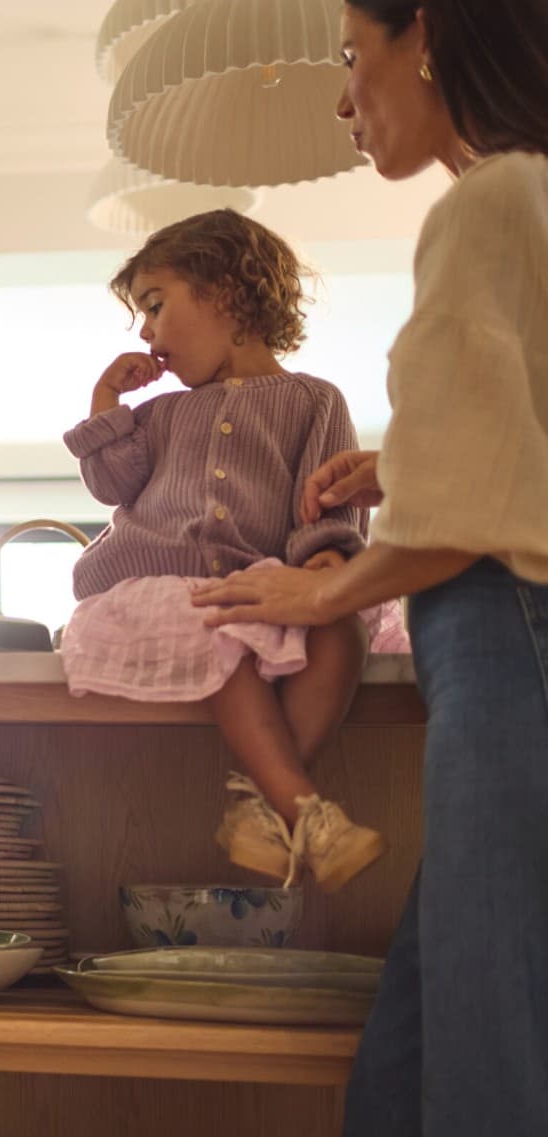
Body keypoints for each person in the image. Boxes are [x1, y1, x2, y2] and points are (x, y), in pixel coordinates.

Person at [191, 1, 548, 1137]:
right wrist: (412, 463)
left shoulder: (493, 199)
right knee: (419, 1046)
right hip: (508, 641)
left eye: (354, 57)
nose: (345, 99)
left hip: (511, 642)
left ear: (427, 35)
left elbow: (461, 531)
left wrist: (316, 592)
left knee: (487, 1050)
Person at [58, 208, 389, 891]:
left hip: (259, 591)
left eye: (155, 304)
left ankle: (256, 809)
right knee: (219, 627)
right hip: (155, 591)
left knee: (345, 632)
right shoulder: (158, 414)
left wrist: (327, 568)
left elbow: (327, 504)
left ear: (227, 292)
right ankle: (301, 808)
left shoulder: (314, 400)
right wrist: (106, 399)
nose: (145, 332)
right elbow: (110, 482)